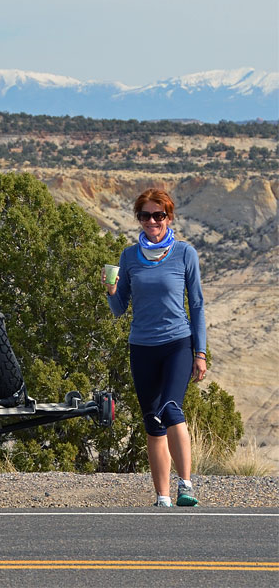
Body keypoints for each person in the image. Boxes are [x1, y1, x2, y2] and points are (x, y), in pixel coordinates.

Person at [104, 188, 207, 507]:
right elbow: (120, 309)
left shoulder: (185, 253)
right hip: (142, 346)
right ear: (139, 218)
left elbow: (198, 305)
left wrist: (200, 353)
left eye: (158, 215)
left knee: (171, 408)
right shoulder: (129, 256)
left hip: (177, 343)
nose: (152, 221)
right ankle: (162, 497)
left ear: (169, 217)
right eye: (145, 215)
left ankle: (186, 485)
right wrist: (111, 291)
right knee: (152, 419)